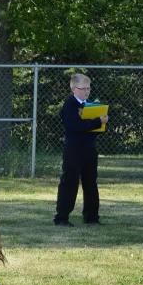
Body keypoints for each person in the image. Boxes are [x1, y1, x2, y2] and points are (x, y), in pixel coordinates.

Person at [54, 73, 109, 227]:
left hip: (89, 149)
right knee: (69, 182)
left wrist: (102, 123)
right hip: (73, 150)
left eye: (88, 88)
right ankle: (62, 217)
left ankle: (91, 216)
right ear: (73, 88)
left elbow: (95, 129)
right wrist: (98, 121)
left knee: (91, 182)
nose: (86, 91)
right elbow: (75, 126)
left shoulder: (90, 105)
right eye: (83, 88)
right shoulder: (70, 105)